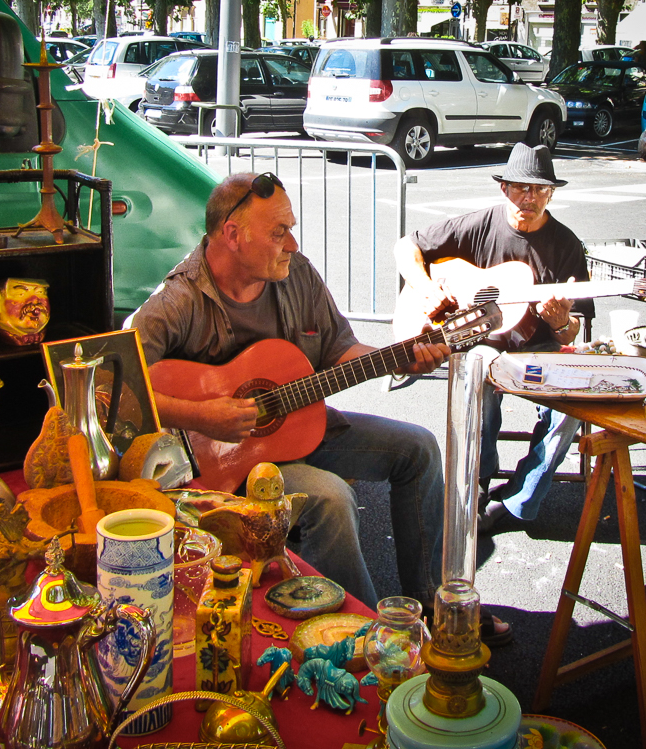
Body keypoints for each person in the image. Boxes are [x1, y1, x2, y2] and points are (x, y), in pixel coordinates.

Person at [126, 172, 450, 614]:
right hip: (223, 469)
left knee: (421, 448)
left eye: (291, 229)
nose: (293, 243)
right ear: (233, 235)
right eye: (279, 232)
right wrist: (199, 417)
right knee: (332, 499)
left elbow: (339, 349)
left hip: (300, 431)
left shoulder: (295, 274)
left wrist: (398, 357)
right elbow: (115, 383)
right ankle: (367, 633)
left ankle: (429, 605)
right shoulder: (179, 299)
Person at [395, 143, 594, 534]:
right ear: (504, 188)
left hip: (540, 349)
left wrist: (559, 323)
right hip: (482, 344)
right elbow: (406, 246)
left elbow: (576, 328)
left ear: (552, 193)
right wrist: (425, 288)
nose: (529, 197)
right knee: (479, 365)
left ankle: (518, 500)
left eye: (539, 189)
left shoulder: (566, 245)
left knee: (573, 405)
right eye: (520, 187)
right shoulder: (479, 225)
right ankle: (479, 484)